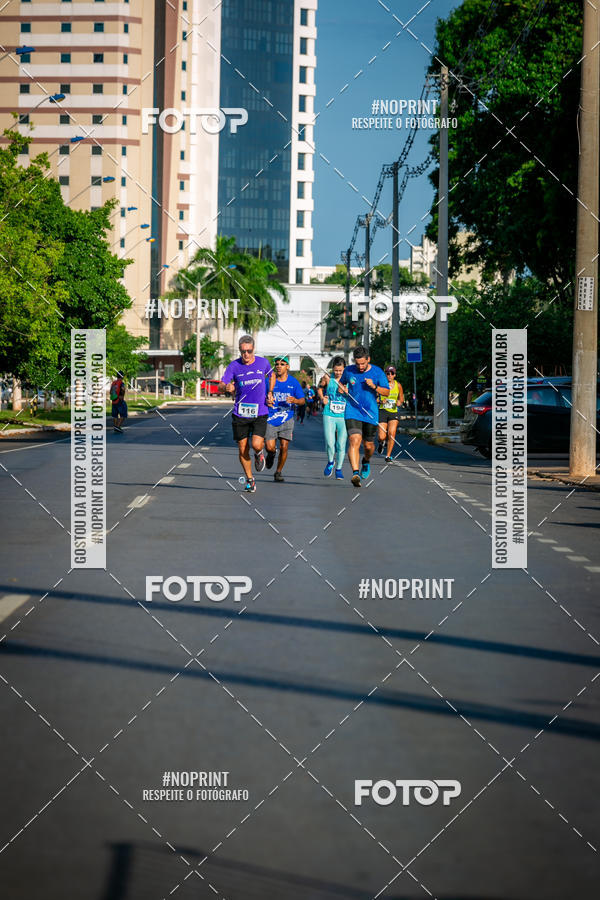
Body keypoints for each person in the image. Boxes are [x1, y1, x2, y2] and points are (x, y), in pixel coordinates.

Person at [219, 335, 275, 493]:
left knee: (257, 444)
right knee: (242, 448)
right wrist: (226, 388)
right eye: (243, 351)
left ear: (253, 349)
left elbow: (272, 375)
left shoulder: (263, 363)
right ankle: (250, 479)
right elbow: (222, 384)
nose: (246, 355)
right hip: (240, 413)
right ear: (240, 350)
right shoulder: (234, 366)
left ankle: (259, 453)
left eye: (249, 351)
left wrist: (270, 392)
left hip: (260, 411)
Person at [338, 346, 389, 488]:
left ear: (368, 360)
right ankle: (355, 473)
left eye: (363, 363)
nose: (360, 366)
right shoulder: (349, 371)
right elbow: (341, 384)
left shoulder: (377, 372)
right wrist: (342, 389)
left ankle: (365, 461)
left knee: (368, 446)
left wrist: (374, 386)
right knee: (354, 439)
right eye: (357, 363)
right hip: (352, 410)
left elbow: (386, 392)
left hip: (370, 413)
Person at [264, 355, 305, 483]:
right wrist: (266, 401)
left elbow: (302, 401)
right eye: (277, 364)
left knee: (284, 446)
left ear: (288, 366)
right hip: (271, 417)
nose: (279, 366)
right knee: (270, 447)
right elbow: (260, 397)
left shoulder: (293, 382)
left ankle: (278, 471)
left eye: (282, 364)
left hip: (287, 417)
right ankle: (271, 454)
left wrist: (295, 400)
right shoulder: (269, 381)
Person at [317, 356, 347, 479]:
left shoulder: (349, 379)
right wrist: (322, 397)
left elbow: (354, 394)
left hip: (344, 415)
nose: (338, 373)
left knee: (341, 444)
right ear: (332, 369)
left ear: (344, 369)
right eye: (336, 370)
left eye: (340, 370)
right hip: (329, 413)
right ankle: (330, 462)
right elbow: (319, 388)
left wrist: (345, 390)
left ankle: (339, 469)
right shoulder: (327, 378)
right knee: (330, 442)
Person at [377, 366, 404, 462]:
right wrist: (380, 401)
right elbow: (374, 398)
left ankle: (388, 456)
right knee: (381, 436)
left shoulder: (398, 385)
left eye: (392, 373)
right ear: (385, 375)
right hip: (382, 411)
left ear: (395, 375)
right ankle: (381, 442)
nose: (389, 375)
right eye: (388, 373)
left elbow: (401, 399)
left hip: (393, 412)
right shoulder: (381, 385)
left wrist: (399, 403)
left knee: (392, 433)